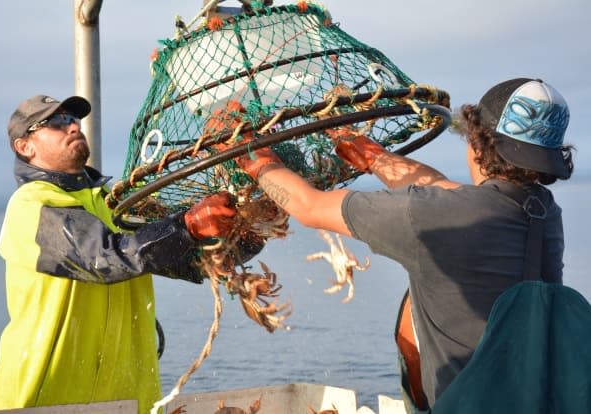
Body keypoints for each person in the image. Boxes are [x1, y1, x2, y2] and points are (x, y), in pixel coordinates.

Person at [215, 78, 574, 409]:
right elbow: (447, 193)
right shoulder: (542, 212)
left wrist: (252, 157)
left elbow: (309, 207)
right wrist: (375, 158)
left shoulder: (437, 216)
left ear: (477, 143)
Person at [0, 94, 254, 413]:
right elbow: (107, 259)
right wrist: (190, 224)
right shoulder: (32, 206)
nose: (72, 126)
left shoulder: (112, 202)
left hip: (128, 401)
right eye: (56, 122)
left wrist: (250, 226)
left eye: (73, 120)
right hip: (47, 400)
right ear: (25, 147)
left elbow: (193, 261)